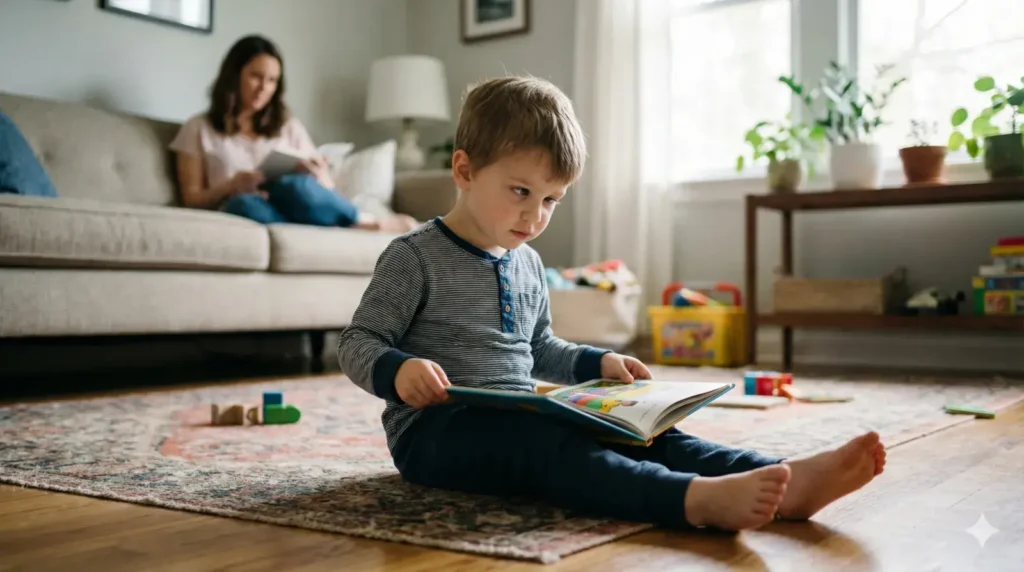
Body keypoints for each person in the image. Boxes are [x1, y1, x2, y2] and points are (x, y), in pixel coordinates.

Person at [337, 76, 887, 530]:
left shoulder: (527, 263)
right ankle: (689, 500)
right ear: (464, 171)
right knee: (550, 448)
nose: (534, 216)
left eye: (551, 199)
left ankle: (783, 477)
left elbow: (538, 347)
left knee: (640, 433)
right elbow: (359, 342)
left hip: (519, 413)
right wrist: (398, 370)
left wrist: (597, 363)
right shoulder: (414, 256)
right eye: (521, 191)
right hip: (434, 434)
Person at [169, 34, 416, 232]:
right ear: (234, 76)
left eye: (272, 80)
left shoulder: (288, 126)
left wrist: (318, 173)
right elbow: (190, 199)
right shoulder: (198, 128)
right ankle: (330, 229)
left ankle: (367, 222)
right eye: (256, 77)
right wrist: (231, 185)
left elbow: (325, 188)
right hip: (243, 206)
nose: (263, 88)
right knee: (246, 203)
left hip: (292, 201)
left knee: (296, 186)